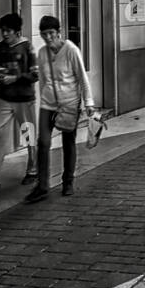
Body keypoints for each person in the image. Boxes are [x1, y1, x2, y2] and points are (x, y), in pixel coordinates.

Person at [26, 15, 96, 203]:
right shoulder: (42, 54)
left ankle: (68, 181)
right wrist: (42, 100)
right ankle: (42, 186)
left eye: (51, 33)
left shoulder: (71, 50)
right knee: (43, 143)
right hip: (48, 104)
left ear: (59, 32)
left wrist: (88, 103)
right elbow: (42, 80)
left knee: (68, 142)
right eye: (44, 34)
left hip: (69, 103)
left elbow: (82, 77)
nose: (48, 38)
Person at [0, 13, 40, 193]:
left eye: (8, 31)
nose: (4, 34)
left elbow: (35, 75)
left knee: (29, 136)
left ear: (17, 31)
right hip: (4, 97)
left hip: (24, 99)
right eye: (2, 31)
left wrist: (16, 78)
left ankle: (33, 169)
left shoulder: (28, 48)